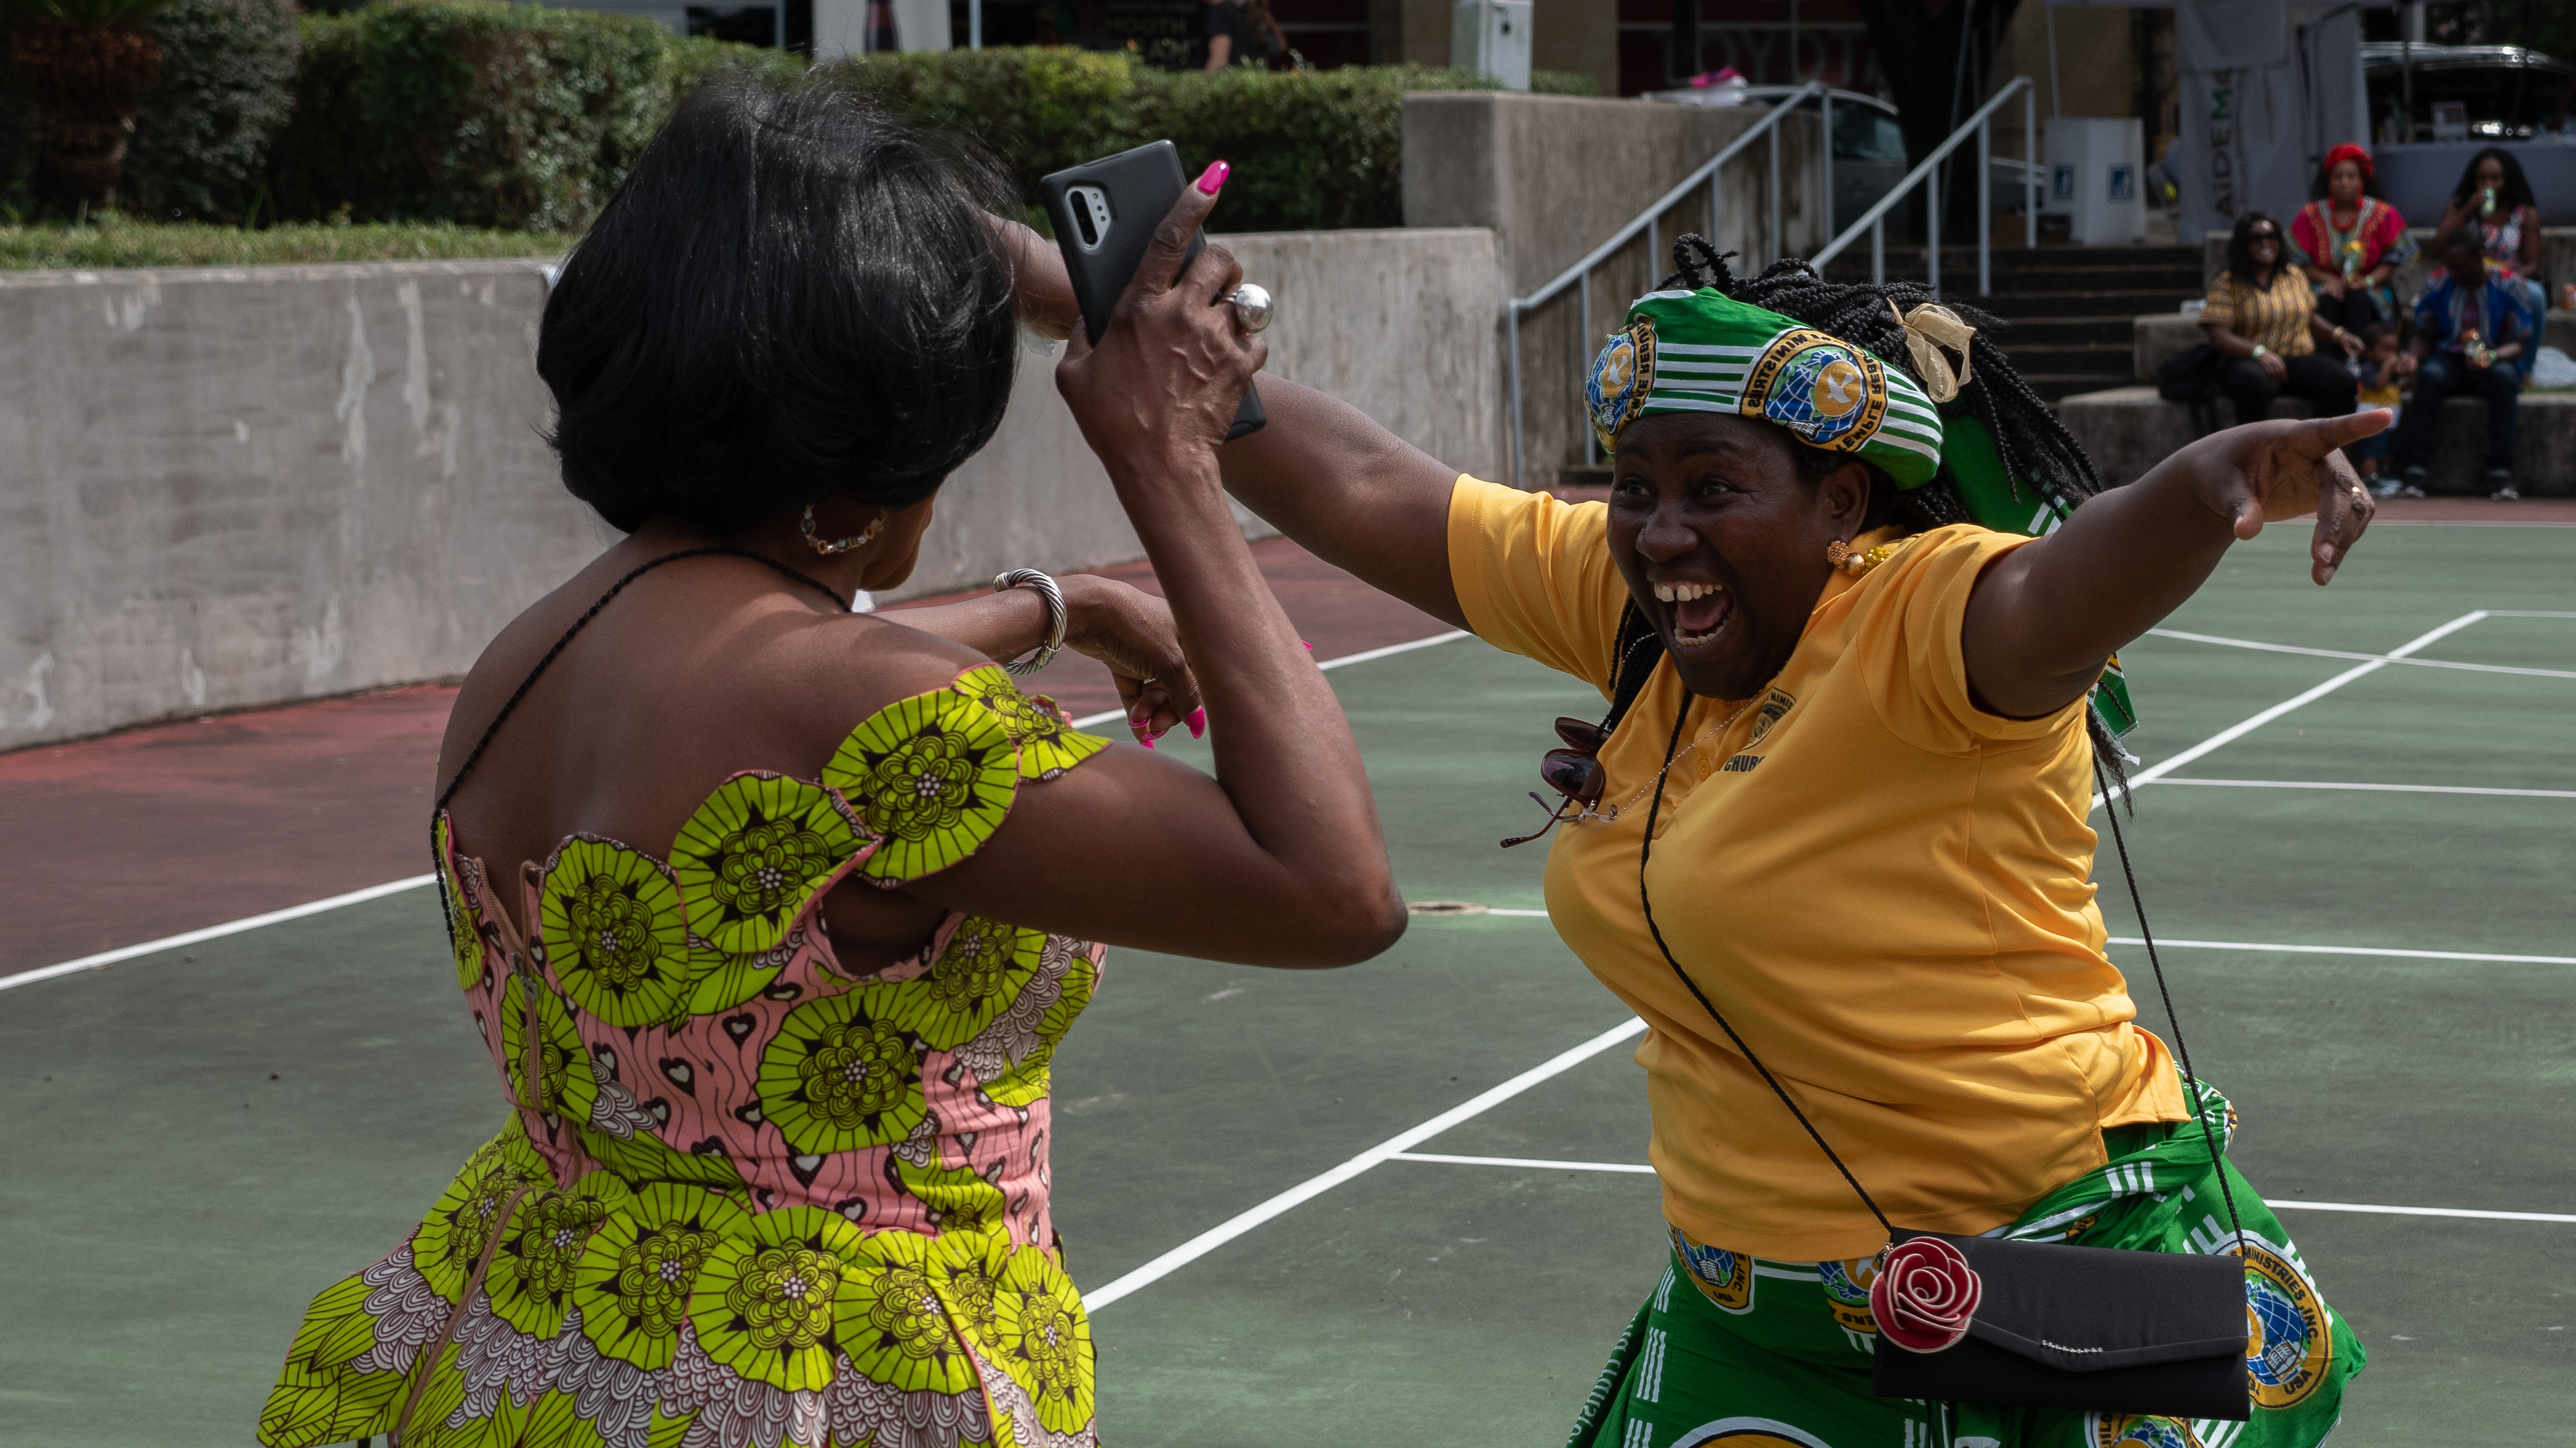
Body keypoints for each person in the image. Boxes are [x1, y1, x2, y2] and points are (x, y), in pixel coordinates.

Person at [1022, 230, 2380, 1444]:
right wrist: (1039, 271)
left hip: (2048, 1273)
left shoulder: (1918, 616)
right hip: (1761, 1313)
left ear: (1839, 505)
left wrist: (2207, 481)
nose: (1661, 533)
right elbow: (1367, 482)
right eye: (1635, 487)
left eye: (1714, 487)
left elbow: (2066, 589)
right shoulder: (1638, 607)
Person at [254, 83, 1402, 1448]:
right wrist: (1169, 459)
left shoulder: (536, 656)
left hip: (543, 1346)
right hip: (821, 1382)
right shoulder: (876, 723)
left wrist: (1062, 605)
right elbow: (1331, 890)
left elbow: (762, 670)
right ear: (854, 495)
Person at [2396, 229, 2536, 500]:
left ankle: (2500, 475)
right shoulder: (2438, 282)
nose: (2454, 272)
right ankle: (2414, 473)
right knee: (2430, 375)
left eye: (2460, 266)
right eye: (2450, 266)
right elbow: (2424, 332)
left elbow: (2518, 343)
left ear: (2479, 256)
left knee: (2506, 378)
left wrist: (2491, 357)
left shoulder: (2510, 284)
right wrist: (2412, 356)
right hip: (2450, 358)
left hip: (2494, 358)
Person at [2201, 211, 2362, 428]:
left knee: (2343, 382)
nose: (2265, 243)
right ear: (2243, 245)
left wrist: (2338, 334)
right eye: (2256, 238)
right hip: (2247, 361)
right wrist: (2258, 352)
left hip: (2293, 359)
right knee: (2252, 380)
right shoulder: (2227, 282)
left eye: (2272, 236)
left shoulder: (2294, 275)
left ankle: (2311, 444)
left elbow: (2308, 317)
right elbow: (2218, 336)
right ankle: (2256, 447)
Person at [2290, 142, 2415, 335]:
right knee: (2327, 300)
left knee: (2359, 301)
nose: (2344, 182)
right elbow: (2300, 262)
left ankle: (2363, 353)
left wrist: (2366, 282)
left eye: (2351, 177)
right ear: (2329, 181)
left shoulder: (2385, 214)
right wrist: (2330, 280)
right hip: (2324, 285)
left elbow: (2392, 260)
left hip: (2370, 286)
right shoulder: (2308, 215)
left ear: (2362, 181)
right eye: (2338, 177)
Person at [2432, 145, 2548, 320]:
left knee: (2536, 295)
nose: (2488, 184)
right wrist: (2467, 210)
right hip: (2465, 280)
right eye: (2483, 178)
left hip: (2507, 282)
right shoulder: (2459, 207)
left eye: (2495, 178)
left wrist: (2502, 280)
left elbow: (2532, 264)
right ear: (2474, 180)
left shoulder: (2525, 214)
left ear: (2507, 180)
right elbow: (2436, 249)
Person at [2351, 323, 2411, 496]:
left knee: (2390, 449)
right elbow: (2379, 385)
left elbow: (2406, 387)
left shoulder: (2392, 371)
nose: (2392, 355)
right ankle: (2369, 479)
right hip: (2371, 419)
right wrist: (2388, 366)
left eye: (2395, 350)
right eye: (2386, 350)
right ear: (2370, 351)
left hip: (2391, 421)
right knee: (2372, 451)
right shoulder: (2368, 369)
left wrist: (2408, 373)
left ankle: (2383, 474)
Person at [1203, 0, 1281, 70]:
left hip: (1230, 78)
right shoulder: (1242, 14)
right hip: (1247, 76)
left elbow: (1218, 63)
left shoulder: (1221, 12)